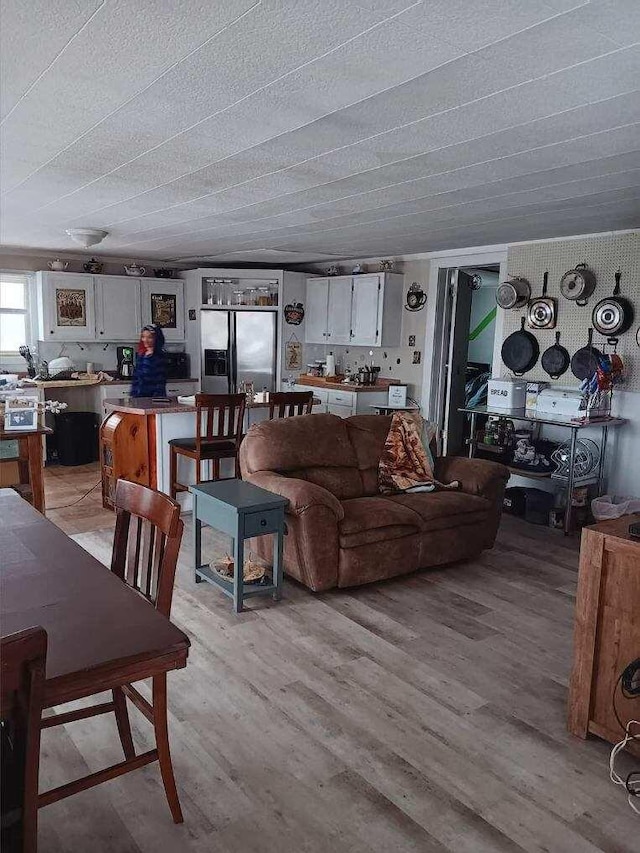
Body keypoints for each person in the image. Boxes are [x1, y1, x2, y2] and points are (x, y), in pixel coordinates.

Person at [130, 324, 167, 398]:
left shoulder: (159, 356)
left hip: (153, 397)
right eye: (143, 337)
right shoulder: (141, 355)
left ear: (156, 339)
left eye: (149, 337)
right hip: (138, 395)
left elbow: (160, 381)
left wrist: (157, 399)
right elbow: (136, 377)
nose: (145, 340)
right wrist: (134, 393)